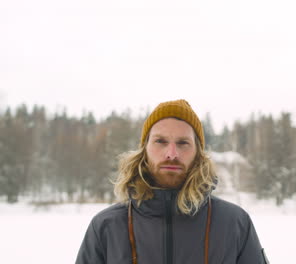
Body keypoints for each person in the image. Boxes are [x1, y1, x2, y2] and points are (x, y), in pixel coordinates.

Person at [76, 99, 268, 264]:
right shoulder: (106, 227)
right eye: (160, 141)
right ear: (144, 149)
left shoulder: (234, 223)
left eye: (183, 143)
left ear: (198, 153)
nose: (172, 154)